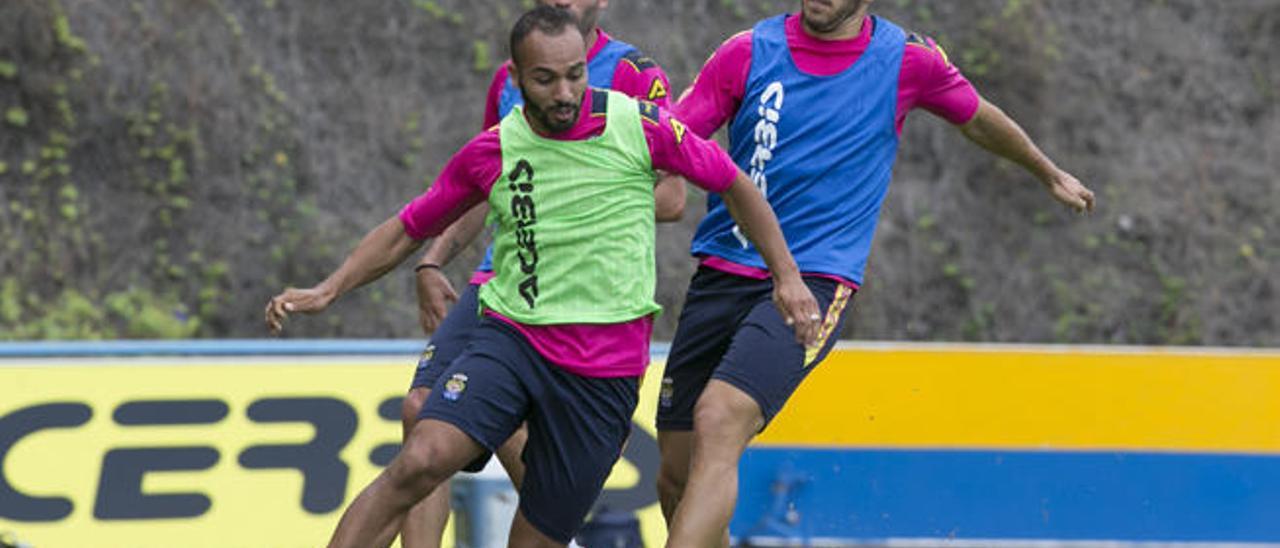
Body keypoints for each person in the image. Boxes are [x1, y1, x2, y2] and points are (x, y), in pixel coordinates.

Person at [265, 6, 820, 547]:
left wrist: (787, 277)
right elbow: (407, 227)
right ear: (516, 78)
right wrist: (328, 289)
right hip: (513, 339)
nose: (564, 93)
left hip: (603, 372)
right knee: (421, 459)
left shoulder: (641, 127)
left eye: (575, 75)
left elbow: (734, 184)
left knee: (534, 539)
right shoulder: (494, 151)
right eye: (545, 79)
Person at [653, 0, 1097, 545]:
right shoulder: (747, 52)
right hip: (723, 269)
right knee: (676, 471)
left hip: (816, 279)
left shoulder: (908, 61)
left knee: (720, 418)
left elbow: (978, 119)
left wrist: (1048, 173)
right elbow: (668, 140)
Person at [400, 1, 683, 543]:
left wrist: (572, 200)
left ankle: (562, 525)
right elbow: (488, 180)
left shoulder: (633, 75)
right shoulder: (511, 76)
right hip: (501, 283)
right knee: (419, 410)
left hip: (582, 300)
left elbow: (671, 197)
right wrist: (432, 258)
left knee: (539, 466)